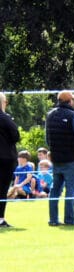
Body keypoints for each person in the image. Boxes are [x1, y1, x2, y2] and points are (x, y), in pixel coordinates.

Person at [44, 90, 74, 226]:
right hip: (72, 160)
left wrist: (53, 152)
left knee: (55, 190)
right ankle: (69, 220)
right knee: (71, 190)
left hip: (56, 159)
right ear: (69, 101)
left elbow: (47, 138)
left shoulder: (50, 115)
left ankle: (53, 219)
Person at [0, 92, 19, 227]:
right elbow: (16, 136)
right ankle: (0, 218)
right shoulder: (5, 118)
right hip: (4, 158)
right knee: (2, 189)